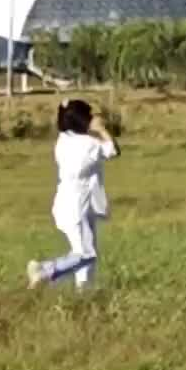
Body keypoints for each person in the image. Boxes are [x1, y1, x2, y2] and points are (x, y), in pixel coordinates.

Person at [25, 98, 117, 291]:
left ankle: (84, 290)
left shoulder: (64, 140)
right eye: (89, 115)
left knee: (85, 252)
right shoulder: (89, 144)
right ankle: (44, 271)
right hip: (77, 205)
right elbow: (113, 150)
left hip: (73, 201)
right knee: (86, 254)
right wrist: (101, 130)